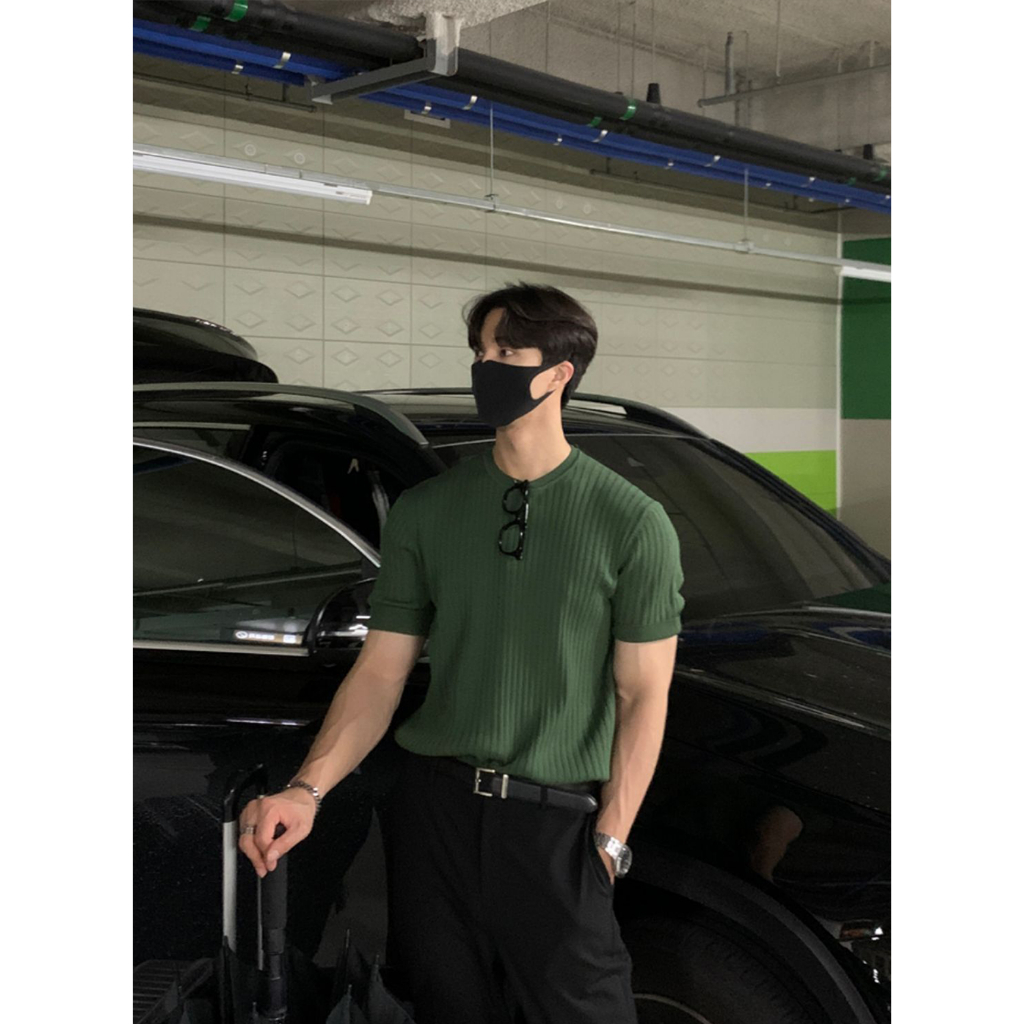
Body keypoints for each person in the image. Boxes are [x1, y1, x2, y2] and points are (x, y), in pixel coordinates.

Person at [238, 282, 685, 1024]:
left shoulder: (631, 522)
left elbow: (644, 694)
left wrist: (610, 839)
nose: (485, 366)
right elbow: (380, 672)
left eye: (507, 352)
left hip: (556, 827)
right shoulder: (428, 512)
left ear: (559, 373)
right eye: (480, 351)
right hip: (434, 817)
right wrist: (306, 791)